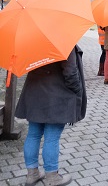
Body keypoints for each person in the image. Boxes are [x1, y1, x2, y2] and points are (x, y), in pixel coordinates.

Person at [15, 45, 87, 186]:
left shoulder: (34, 40)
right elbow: (71, 72)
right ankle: (52, 177)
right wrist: (78, 92)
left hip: (35, 92)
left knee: (33, 134)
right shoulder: (63, 42)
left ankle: (32, 174)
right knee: (52, 137)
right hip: (56, 96)